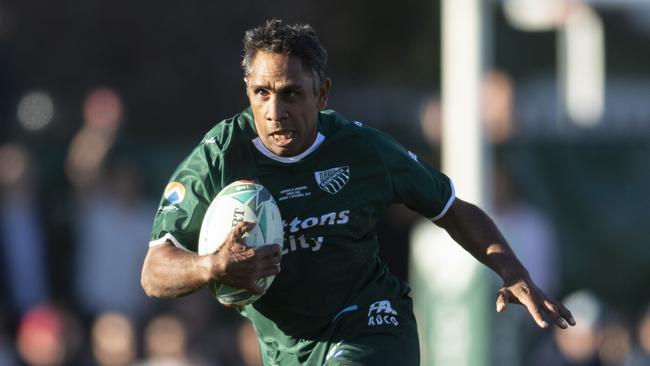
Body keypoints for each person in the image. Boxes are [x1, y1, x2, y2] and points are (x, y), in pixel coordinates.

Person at [141, 19, 575, 366]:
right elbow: (154, 271)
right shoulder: (221, 156)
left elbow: (450, 208)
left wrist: (511, 271)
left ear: (322, 94)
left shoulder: (362, 149)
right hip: (288, 350)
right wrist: (211, 266)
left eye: (291, 94)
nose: (275, 111)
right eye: (262, 93)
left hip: (372, 324)